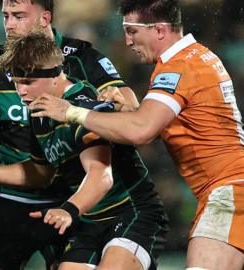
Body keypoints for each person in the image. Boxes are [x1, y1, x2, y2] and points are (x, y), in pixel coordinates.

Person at [29, 0, 244, 269]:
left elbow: (142, 132)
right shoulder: (197, 56)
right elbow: (175, 123)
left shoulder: (177, 67)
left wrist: (72, 112)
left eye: (132, 31)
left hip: (231, 190)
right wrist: (133, 109)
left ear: (160, 30)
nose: (127, 41)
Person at [0, 0, 138, 269]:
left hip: (73, 197)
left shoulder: (82, 58)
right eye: (6, 16)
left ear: (45, 18)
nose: (9, 25)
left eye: (19, 16)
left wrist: (115, 102)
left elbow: (129, 105)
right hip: (13, 194)